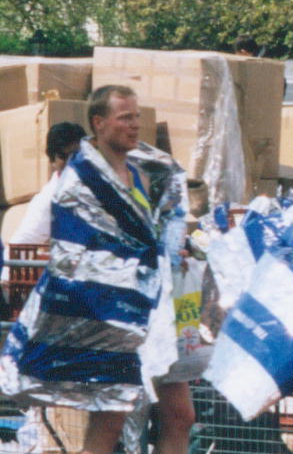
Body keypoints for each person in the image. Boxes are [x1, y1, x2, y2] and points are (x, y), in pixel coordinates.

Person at [1, 86, 193, 454]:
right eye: (125, 117)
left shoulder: (148, 171)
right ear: (99, 123)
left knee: (180, 415)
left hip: (155, 311)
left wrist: (175, 249)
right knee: (109, 422)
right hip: (110, 318)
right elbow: (78, 255)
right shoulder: (80, 183)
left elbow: (158, 229)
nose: (134, 125)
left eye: (137, 116)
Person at [9, 122, 86, 245]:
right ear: (52, 160)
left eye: (76, 155)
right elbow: (22, 243)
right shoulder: (48, 200)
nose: (70, 163)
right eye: (63, 157)